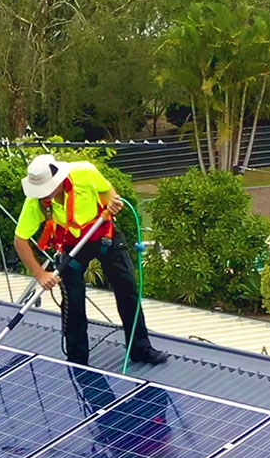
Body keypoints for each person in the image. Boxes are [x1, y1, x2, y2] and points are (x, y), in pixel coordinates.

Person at [13, 154, 168, 366]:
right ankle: (78, 359)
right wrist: (40, 274)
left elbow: (108, 193)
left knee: (127, 289)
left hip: (104, 236)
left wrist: (113, 204)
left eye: (49, 188)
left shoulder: (85, 173)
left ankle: (140, 348)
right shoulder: (36, 202)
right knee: (73, 301)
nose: (46, 194)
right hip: (71, 246)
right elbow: (20, 240)